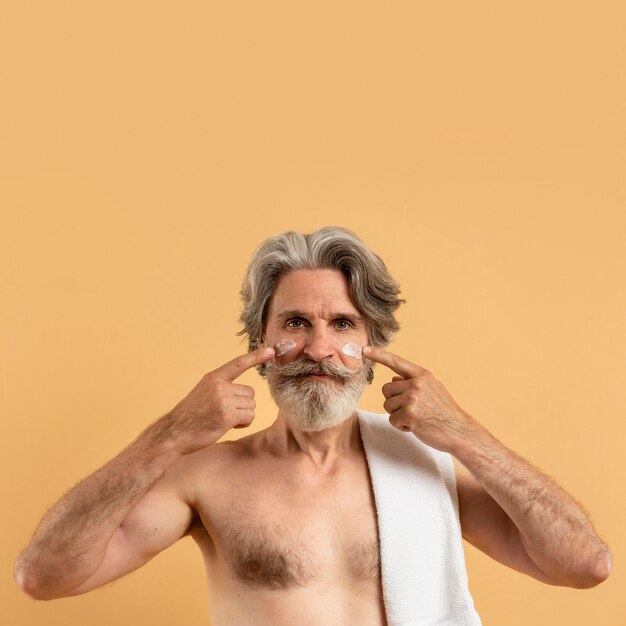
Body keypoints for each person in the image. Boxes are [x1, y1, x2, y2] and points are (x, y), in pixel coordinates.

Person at [15, 226, 611, 625]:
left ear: (372, 344)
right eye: (296, 323)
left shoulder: (425, 467)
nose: (319, 349)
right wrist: (169, 432)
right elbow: (44, 577)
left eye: (344, 325)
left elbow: (583, 566)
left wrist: (463, 435)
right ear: (261, 342)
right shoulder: (206, 478)